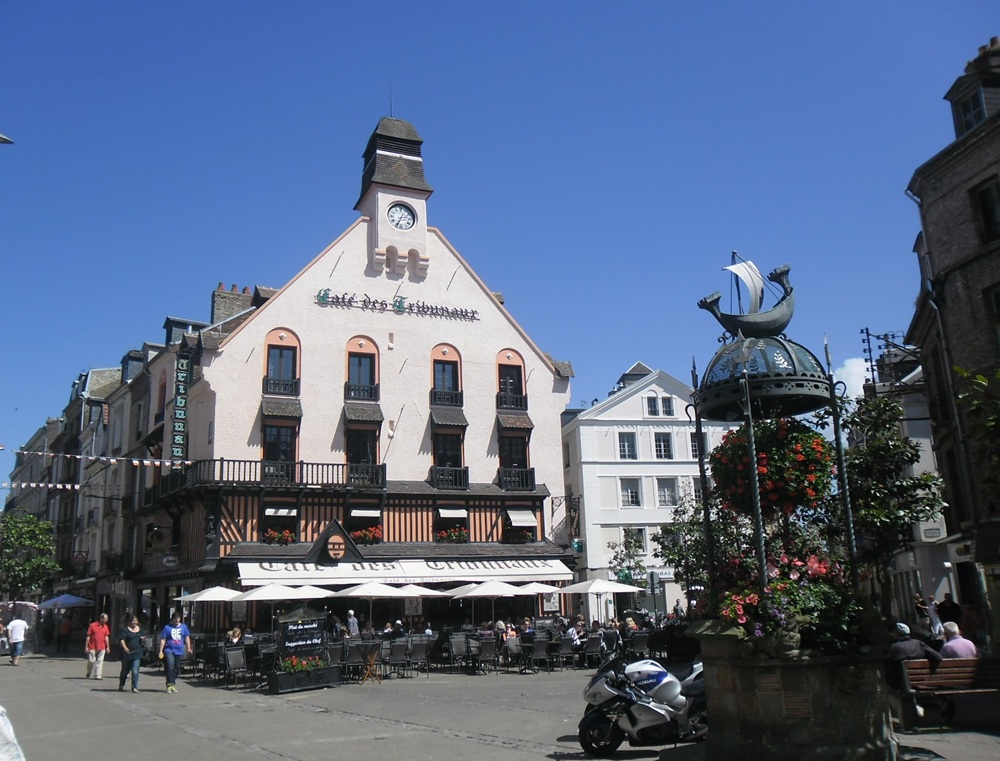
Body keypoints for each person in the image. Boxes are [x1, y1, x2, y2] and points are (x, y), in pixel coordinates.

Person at [884, 622, 941, 692]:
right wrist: (931, 671)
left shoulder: (895, 647)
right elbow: (938, 657)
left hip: (901, 684)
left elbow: (887, 666)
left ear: (897, 634)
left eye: (893, 632)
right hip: (922, 680)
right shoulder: (918, 643)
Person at [157, 612, 192, 693]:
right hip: (169, 650)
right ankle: (169, 684)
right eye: (175, 618)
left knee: (176, 668)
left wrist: (188, 648)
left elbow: (187, 637)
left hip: (179, 650)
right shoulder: (167, 628)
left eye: (178, 618)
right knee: (170, 666)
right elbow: (163, 639)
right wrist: (161, 651)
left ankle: (173, 684)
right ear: (172, 619)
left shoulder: (184, 627)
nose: (177, 620)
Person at [118, 616, 144, 693]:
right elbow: (122, 640)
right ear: (129, 622)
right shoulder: (125, 630)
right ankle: (121, 684)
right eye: (133, 621)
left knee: (135, 670)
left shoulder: (140, 629)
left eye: (135, 621)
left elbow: (142, 637)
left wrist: (143, 639)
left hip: (137, 653)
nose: (134, 622)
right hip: (127, 654)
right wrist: (125, 648)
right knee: (125, 671)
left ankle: (134, 687)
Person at [85, 613, 112, 679]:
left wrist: (108, 646)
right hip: (92, 646)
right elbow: (88, 636)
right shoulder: (92, 625)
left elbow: (106, 636)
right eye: (105, 619)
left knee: (100, 661)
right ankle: (89, 672)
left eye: (107, 619)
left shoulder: (105, 627)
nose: (106, 620)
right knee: (91, 661)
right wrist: (86, 646)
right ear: (101, 619)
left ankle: (97, 675)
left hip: (102, 646)